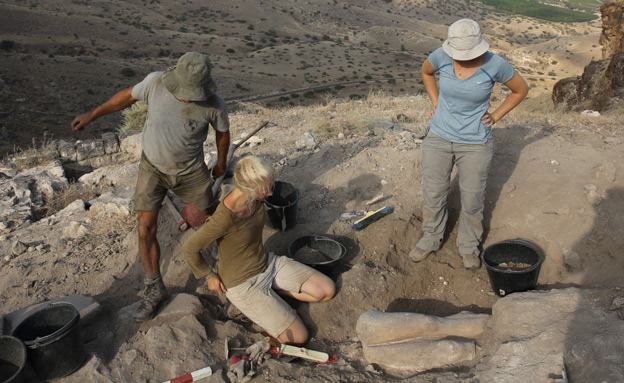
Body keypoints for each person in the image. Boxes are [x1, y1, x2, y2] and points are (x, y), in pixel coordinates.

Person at [71, 52, 231, 321]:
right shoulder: (156, 83)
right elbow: (126, 97)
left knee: (214, 215)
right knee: (145, 229)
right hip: (152, 169)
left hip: (191, 171)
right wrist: (93, 115)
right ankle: (155, 289)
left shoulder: (215, 105)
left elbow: (223, 134)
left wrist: (222, 164)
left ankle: (227, 263)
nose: (187, 97)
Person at [410, 19, 529, 269]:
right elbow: (426, 72)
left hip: (475, 142)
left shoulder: (494, 64)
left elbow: (520, 90)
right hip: (439, 137)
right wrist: (435, 103)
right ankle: (431, 238)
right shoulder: (441, 56)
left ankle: (468, 246)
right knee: (434, 192)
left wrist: (495, 116)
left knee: (473, 197)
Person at [181, 156, 335, 345]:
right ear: (250, 189)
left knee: (326, 291)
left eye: (271, 187)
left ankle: (274, 297)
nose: (271, 193)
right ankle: (250, 308)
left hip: (267, 264)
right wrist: (209, 275)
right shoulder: (225, 218)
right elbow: (189, 248)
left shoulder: (255, 199)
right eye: (266, 189)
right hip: (243, 284)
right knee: (299, 338)